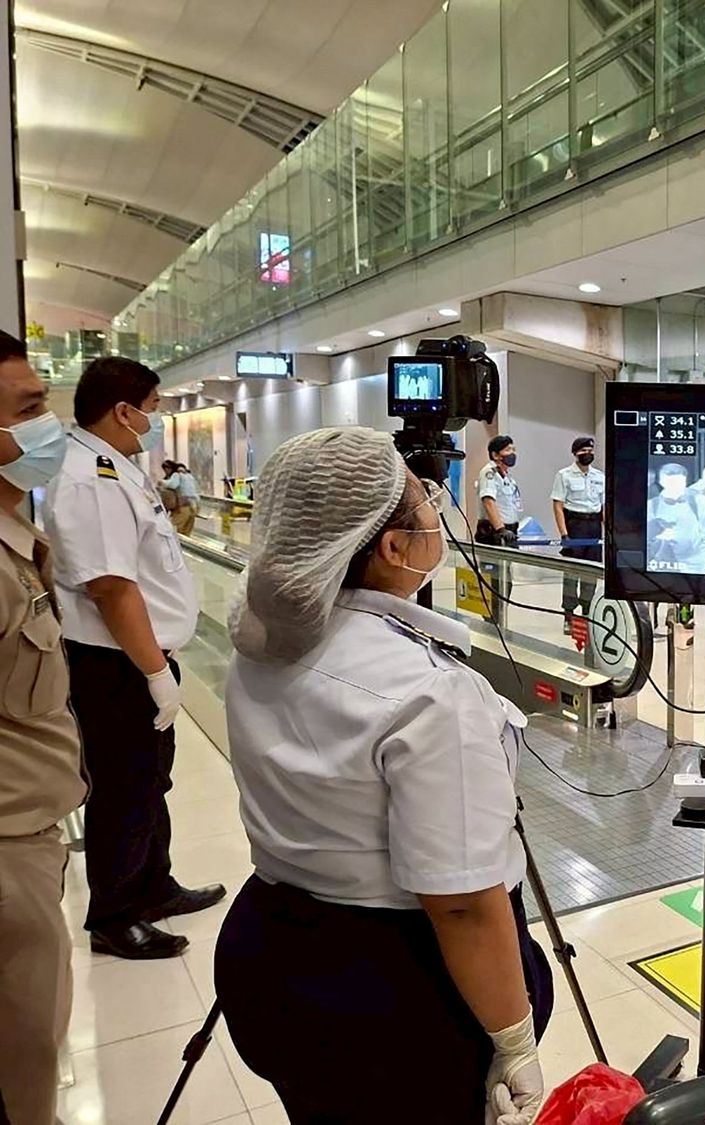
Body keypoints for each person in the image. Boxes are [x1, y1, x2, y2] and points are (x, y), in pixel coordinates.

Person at [216, 427, 553, 1124]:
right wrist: (514, 1038)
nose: (437, 506)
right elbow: (459, 900)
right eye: (424, 498)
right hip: (390, 992)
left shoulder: (260, 640)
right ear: (395, 548)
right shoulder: (428, 693)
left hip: (273, 954)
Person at [43, 357, 219, 960]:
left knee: (151, 781)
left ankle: (153, 885)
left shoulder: (114, 466)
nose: (157, 416)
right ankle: (115, 916)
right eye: (154, 404)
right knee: (123, 787)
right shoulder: (90, 477)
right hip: (115, 665)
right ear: (124, 411)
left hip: (138, 658)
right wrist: (153, 675)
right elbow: (111, 587)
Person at [0, 332, 87, 1125]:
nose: (46, 424)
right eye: (28, 411)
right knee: (21, 1079)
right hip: (5, 852)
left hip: (33, 837)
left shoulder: (18, 540)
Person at [551, 436, 604, 631]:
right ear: (575, 453)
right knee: (572, 572)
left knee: (591, 571)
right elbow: (558, 506)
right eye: (583, 451)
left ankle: (588, 613)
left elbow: (603, 506)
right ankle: (569, 614)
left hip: (594, 526)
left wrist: (607, 532)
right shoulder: (564, 475)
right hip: (575, 525)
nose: (588, 454)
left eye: (590, 451)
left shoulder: (599, 476)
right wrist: (564, 534)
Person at [647, 462, 705, 574]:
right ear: (662, 482)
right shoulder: (652, 505)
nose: (676, 486)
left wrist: (704, 563)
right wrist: (659, 536)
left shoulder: (698, 502)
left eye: (680, 482)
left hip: (694, 566)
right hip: (660, 566)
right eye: (672, 482)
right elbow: (643, 539)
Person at [477, 434, 524, 545]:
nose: (512, 453)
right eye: (508, 450)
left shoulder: (507, 476)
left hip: (510, 530)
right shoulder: (489, 473)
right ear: (495, 455)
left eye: (513, 450)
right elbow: (488, 502)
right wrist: (500, 529)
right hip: (494, 530)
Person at [162, 459, 200, 537]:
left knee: (173, 530)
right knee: (186, 532)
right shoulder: (190, 477)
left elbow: (172, 485)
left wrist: (161, 482)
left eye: (166, 469)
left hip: (182, 507)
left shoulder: (176, 476)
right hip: (193, 506)